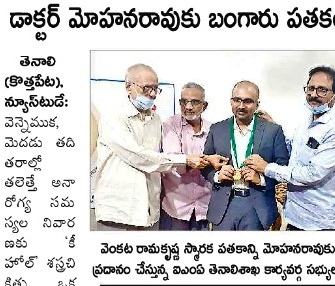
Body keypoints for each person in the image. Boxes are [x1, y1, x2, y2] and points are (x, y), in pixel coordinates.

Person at [93, 64, 208, 230]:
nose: (153, 94)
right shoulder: (114, 116)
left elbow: (158, 156)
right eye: (147, 88)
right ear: (128, 87)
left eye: (156, 89)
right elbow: (138, 156)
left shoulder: (156, 120)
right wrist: (185, 160)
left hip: (149, 211)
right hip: (119, 211)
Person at [245, 66, 335, 231]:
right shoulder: (306, 123)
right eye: (311, 88)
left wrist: (266, 168)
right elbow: (291, 149)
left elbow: (312, 174)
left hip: (320, 225)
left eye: (322, 90)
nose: (314, 94)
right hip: (295, 218)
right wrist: (275, 128)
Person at [202, 80, 289, 231]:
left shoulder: (273, 131)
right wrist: (217, 176)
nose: (241, 106)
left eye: (248, 101)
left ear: (257, 104)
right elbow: (205, 164)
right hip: (224, 206)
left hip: (257, 207)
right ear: (231, 101)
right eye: (237, 100)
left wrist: (261, 179)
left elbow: (283, 167)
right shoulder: (217, 129)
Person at [160, 83, 226, 230]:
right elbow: (174, 161)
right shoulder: (170, 124)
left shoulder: (213, 129)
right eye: (184, 101)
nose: (188, 107)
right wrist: (209, 160)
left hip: (204, 206)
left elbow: (220, 162)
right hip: (176, 206)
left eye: (194, 102)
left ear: (205, 105)